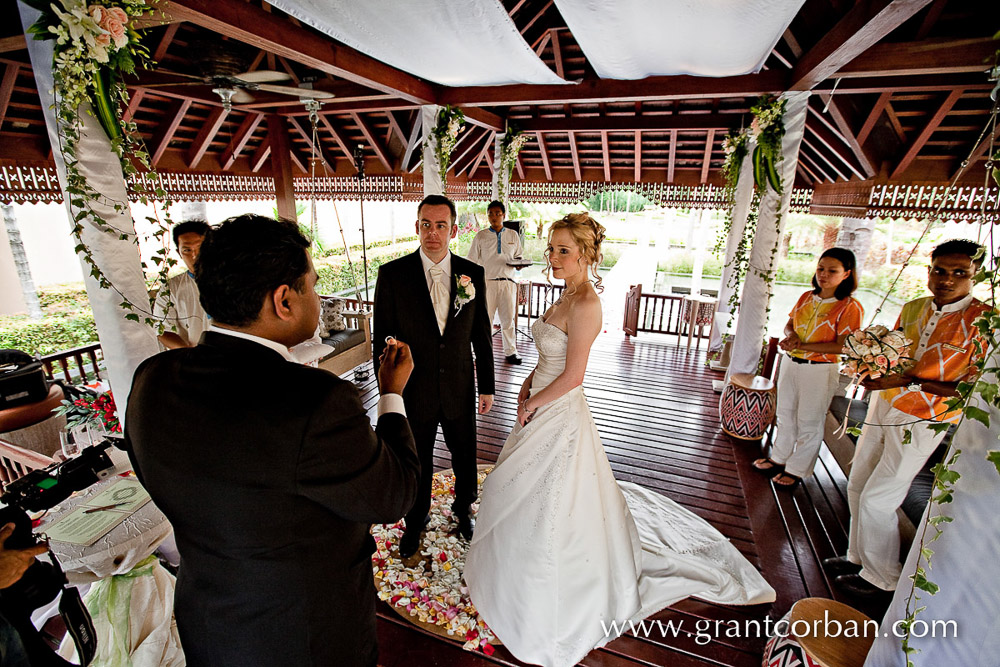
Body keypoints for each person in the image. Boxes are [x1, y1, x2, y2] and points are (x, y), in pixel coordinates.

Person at [465, 213, 775, 667]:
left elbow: (573, 377)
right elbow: (550, 357)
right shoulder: (564, 293)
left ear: (587, 255)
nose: (552, 257)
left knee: (552, 497)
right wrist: (528, 381)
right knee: (520, 487)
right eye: (551, 249)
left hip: (560, 410)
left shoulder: (587, 303)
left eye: (563, 251)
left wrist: (533, 403)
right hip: (539, 399)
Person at [124, 214, 420, 667]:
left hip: (210, 622)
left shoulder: (153, 380)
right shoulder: (314, 401)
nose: (319, 299)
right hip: (306, 636)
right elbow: (394, 495)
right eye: (313, 286)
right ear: (284, 299)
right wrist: (392, 393)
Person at [826, 239, 990, 597]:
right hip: (885, 403)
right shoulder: (914, 308)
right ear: (929, 271)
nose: (947, 279)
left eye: (959, 273)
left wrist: (912, 381)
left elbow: (973, 389)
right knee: (857, 482)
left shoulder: (983, 322)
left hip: (925, 418)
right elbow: (893, 357)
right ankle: (857, 557)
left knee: (879, 498)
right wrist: (870, 369)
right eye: (940, 271)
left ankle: (882, 577)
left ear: (974, 275)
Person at [373, 194, 495, 559]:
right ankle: (415, 520)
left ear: (453, 230)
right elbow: (382, 338)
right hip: (415, 389)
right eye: (426, 224)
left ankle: (463, 509)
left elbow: (481, 333)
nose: (433, 233)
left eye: (441, 225)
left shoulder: (472, 274)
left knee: (464, 453)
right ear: (417, 227)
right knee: (418, 457)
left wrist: (487, 385)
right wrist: (388, 393)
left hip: (459, 385)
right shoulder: (392, 274)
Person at [753, 248, 863, 488]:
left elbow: (844, 346)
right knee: (785, 413)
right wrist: (791, 336)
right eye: (821, 269)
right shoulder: (806, 297)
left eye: (832, 271)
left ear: (846, 274)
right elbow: (789, 324)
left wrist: (803, 344)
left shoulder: (849, 307)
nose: (824, 275)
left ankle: (797, 469)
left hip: (819, 369)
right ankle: (779, 458)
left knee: (808, 421)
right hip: (791, 363)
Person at [467, 200, 524, 364]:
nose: (494, 216)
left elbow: (519, 257)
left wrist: (519, 264)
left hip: (508, 282)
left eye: (497, 213)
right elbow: (472, 261)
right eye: (491, 213)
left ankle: (511, 352)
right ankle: (481, 352)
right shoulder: (481, 235)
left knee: (508, 319)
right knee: (485, 320)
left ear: (504, 215)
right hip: (487, 283)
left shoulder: (513, 235)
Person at [154, 219, 210, 349]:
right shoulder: (170, 289)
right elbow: (163, 330)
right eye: (187, 250)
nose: (195, 256)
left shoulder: (232, 282)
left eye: (200, 248)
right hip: (193, 361)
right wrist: (191, 356)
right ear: (179, 253)